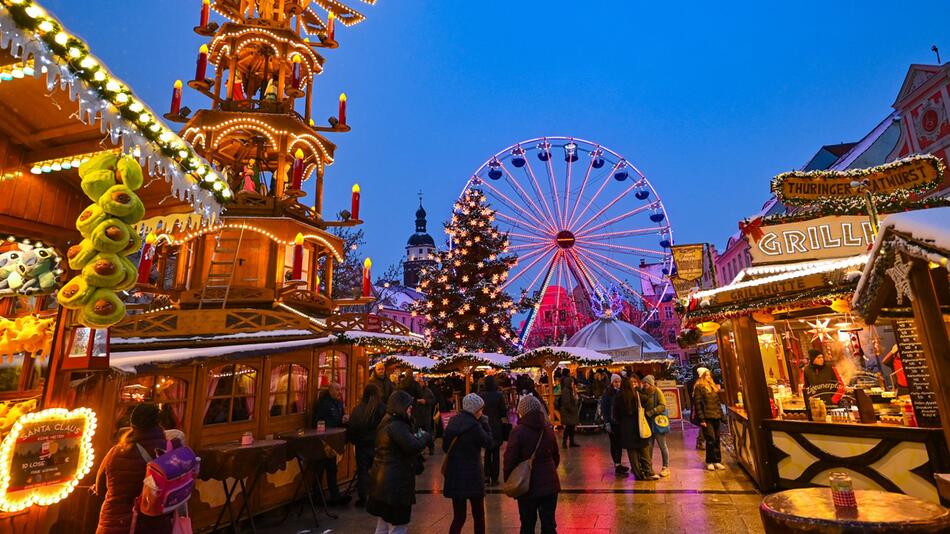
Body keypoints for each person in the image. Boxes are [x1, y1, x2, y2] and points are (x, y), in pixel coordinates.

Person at [94, 403, 183, 534]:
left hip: (114, 523)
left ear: (132, 424)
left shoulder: (115, 452)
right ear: (158, 422)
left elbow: (100, 489)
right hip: (153, 524)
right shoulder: (171, 450)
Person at [368, 390, 430, 533]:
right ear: (401, 406)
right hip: (395, 486)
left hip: (383, 483)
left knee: (383, 524)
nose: (411, 409)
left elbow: (400, 448)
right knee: (398, 526)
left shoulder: (387, 421)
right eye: (408, 406)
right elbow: (413, 445)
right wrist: (425, 437)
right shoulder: (397, 426)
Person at [504, 395, 560, 534]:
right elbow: (556, 456)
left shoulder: (518, 432)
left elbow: (510, 459)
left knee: (527, 525)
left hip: (527, 486)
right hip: (550, 484)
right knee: (549, 524)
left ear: (522, 411)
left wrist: (510, 478)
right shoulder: (548, 429)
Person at [442, 393, 493, 534]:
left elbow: (445, 447)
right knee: (479, 516)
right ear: (475, 410)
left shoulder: (452, 422)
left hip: (454, 475)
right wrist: (485, 423)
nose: (482, 412)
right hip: (473, 476)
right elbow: (489, 442)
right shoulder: (475, 427)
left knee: (458, 517)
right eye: (480, 410)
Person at [612, 376, 659, 480]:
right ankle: (649, 472)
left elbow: (615, 415)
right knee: (644, 449)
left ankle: (638, 475)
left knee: (632, 453)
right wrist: (639, 388)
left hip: (626, 428)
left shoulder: (618, 397)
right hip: (638, 425)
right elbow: (647, 399)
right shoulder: (636, 395)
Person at [312, 382, 351, 505]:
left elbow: (339, 418)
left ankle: (335, 495)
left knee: (332, 468)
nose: (340, 392)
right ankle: (317, 496)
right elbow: (317, 421)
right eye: (337, 390)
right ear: (330, 391)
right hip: (324, 440)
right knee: (320, 468)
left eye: (340, 389)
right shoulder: (323, 404)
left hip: (334, 440)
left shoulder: (339, 403)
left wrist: (344, 419)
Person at [347, 383, 385, 507]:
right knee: (378, 470)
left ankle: (363, 497)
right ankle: (378, 495)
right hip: (376, 445)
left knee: (362, 470)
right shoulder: (381, 409)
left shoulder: (358, 409)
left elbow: (352, 427)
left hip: (361, 445)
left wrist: (354, 440)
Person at [477, 375, 508, 486]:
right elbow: (503, 412)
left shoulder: (481, 396)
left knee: (487, 451)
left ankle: (486, 475)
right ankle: (494, 478)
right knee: (495, 452)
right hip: (496, 426)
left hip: (485, 425)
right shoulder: (499, 396)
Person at [693, 367, 725, 471]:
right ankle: (710, 461)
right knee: (710, 439)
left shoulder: (713, 387)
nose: (708, 377)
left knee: (716, 439)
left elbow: (718, 402)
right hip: (707, 417)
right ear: (702, 376)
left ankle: (717, 460)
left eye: (709, 375)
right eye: (706, 375)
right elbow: (698, 404)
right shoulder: (699, 388)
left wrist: (722, 416)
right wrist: (702, 419)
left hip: (716, 415)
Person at [641, 375, 670, 477]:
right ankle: (648, 467)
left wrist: (652, 411)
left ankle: (666, 467)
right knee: (649, 446)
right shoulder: (643, 392)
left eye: (646, 383)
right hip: (648, 424)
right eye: (644, 383)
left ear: (651, 383)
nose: (644, 385)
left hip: (658, 422)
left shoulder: (657, 391)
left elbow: (662, 405)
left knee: (662, 445)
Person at [600, 373, 627, 474]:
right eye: (615, 382)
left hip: (620, 422)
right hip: (612, 422)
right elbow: (605, 409)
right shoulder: (607, 393)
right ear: (612, 383)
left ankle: (619, 464)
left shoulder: (622, 392)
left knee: (619, 444)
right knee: (614, 443)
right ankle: (617, 464)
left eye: (619, 382)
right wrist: (607, 422)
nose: (617, 384)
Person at [412, 374, 437, 455]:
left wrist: (425, 401)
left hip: (426, 415)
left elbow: (434, 400)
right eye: (418, 382)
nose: (420, 383)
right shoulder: (413, 392)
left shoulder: (428, 391)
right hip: (417, 415)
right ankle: (421, 449)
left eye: (421, 381)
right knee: (419, 433)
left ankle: (431, 447)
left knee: (427, 433)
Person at [558, 372, 580, 448]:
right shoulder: (566, 390)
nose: (573, 383)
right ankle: (565, 442)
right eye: (572, 382)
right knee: (568, 427)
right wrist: (572, 409)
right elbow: (566, 402)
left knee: (571, 427)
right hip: (568, 412)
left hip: (570, 411)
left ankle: (571, 441)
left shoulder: (570, 390)